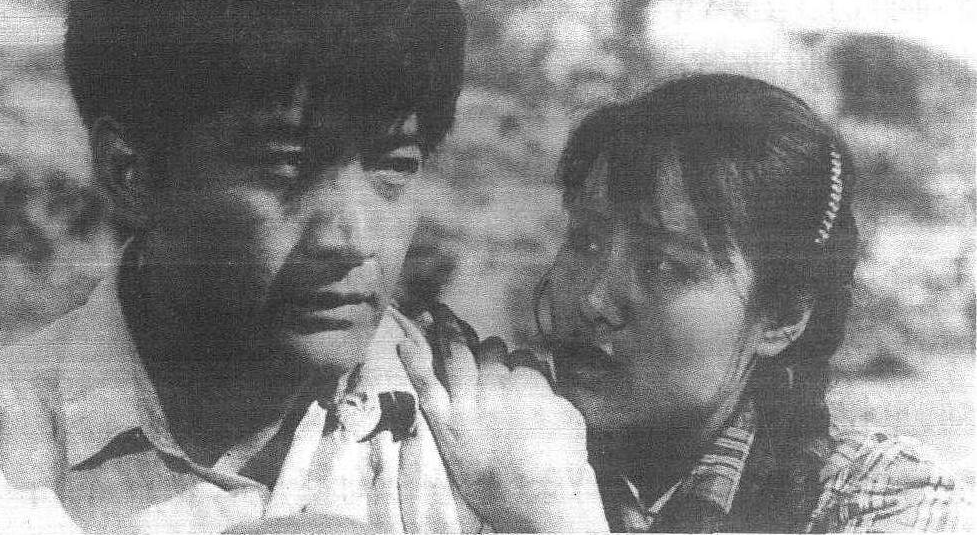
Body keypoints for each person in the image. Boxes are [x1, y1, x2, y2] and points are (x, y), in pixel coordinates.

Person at [0, 0, 473, 533]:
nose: (352, 238)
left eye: (394, 166)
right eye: (285, 165)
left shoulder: (483, 443)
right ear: (129, 173)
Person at [398, 74, 969, 532]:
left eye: (664, 266)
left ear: (782, 317)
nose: (594, 300)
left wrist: (548, 520)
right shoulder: (480, 431)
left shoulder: (884, 500)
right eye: (587, 242)